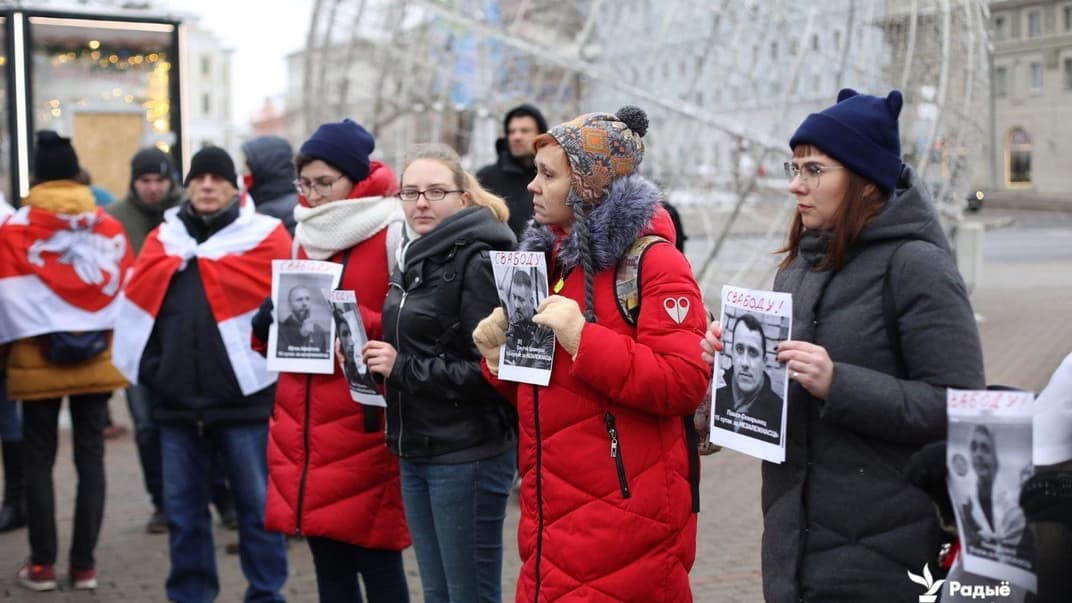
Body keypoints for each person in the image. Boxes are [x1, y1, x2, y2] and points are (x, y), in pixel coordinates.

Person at [700, 89, 985, 602]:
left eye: (813, 170)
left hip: (889, 553)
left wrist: (839, 383)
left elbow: (963, 406)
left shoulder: (916, 266)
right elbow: (779, 406)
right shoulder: (797, 268)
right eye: (795, 167)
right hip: (794, 546)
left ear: (864, 179)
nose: (794, 185)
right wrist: (733, 371)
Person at [472, 107, 709, 602]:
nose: (532, 187)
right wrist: (498, 361)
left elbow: (684, 382)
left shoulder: (655, 263)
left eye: (548, 175)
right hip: (551, 512)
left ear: (590, 184)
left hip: (627, 517)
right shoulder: (552, 260)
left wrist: (584, 338)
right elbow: (548, 390)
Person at [113, 145, 291, 602]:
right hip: (175, 405)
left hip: (246, 403)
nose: (207, 186)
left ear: (235, 186)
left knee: (257, 511)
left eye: (217, 178)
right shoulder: (163, 240)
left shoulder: (267, 237)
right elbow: (138, 311)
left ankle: (266, 595)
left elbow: (291, 315)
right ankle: (190, 596)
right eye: (199, 178)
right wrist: (156, 371)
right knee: (184, 515)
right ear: (187, 186)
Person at [252, 118, 411, 603]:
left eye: (325, 183)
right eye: (306, 183)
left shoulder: (392, 228)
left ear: (355, 180)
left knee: (377, 560)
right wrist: (269, 324)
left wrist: (343, 315)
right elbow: (287, 336)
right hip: (303, 424)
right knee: (327, 563)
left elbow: (411, 321)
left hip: (363, 422)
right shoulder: (305, 234)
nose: (314, 194)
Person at [364, 142, 517, 603]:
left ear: (463, 198)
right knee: (436, 593)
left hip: (468, 453)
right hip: (418, 448)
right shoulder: (413, 256)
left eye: (435, 191)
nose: (421, 203)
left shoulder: (480, 260)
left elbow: (494, 372)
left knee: (468, 595)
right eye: (410, 193)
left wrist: (403, 367)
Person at [0, 131, 134, 591]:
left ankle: (41, 565)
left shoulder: (14, 229)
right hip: (96, 361)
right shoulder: (110, 228)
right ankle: (84, 566)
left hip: (37, 361)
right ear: (78, 174)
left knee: (39, 460)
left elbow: (4, 297)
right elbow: (126, 293)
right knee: (91, 458)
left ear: (36, 175)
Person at [107, 146, 235, 534]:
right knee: (147, 428)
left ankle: (223, 499)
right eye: (144, 181)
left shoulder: (191, 217)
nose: (152, 188)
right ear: (134, 182)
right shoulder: (114, 219)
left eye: (159, 180)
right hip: (143, 341)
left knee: (209, 427)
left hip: (193, 346)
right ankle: (162, 503)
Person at [959, 425, 1031, 559]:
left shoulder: (1012, 504)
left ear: (996, 458)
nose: (978, 454)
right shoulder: (966, 503)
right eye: (973, 448)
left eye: (985, 448)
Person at [476, 103, 548, 238]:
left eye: (525, 131)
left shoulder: (554, 177)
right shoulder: (485, 178)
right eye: (511, 131)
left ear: (541, 135)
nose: (516, 137)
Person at [713, 313, 782, 444]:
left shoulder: (779, 413)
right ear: (731, 353)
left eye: (753, 352)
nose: (744, 363)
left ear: (764, 361)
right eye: (739, 349)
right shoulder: (716, 399)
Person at [242, 135, 299, 235]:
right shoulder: (260, 202)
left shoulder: (272, 214)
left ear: (265, 167)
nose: (244, 173)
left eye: (248, 166)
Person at [502, 269, 553, 368]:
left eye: (521, 299)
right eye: (514, 297)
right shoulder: (510, 325)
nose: (516, 305)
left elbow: (537, 370)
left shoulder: (545, 331)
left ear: (532, 302)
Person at [277, 284, 329, 354]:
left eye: (307, 299)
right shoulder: (280, 330)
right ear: (290, 305)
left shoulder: (318, 331)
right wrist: (301, 337)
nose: (304, 303)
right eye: (299, 300)